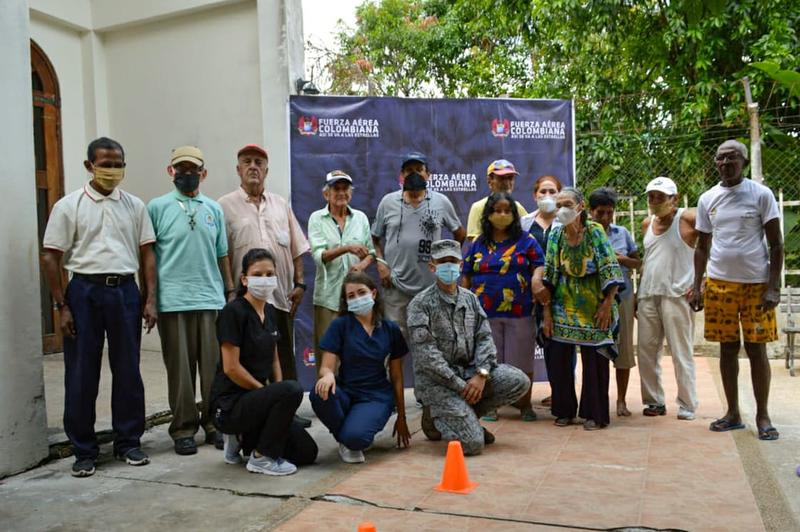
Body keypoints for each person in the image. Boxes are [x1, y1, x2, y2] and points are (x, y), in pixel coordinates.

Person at [42, 137, 157, 477]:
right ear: (89, 166)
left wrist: (150, 298)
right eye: (105, 163)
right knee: (81, 372)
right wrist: (61, 305)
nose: (112, 170)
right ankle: (84, 450)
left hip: (124, 291)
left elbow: (147, 253)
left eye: (118, 163)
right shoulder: (69, 206)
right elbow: (51, 256)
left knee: (128, 370)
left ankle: (128, 442)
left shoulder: (134, 206)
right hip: (84, 293)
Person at [691, 140, 783, 441]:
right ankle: (732, 413)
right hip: (720, 284)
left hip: (756, 286)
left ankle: (763, 416)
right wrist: (697, 287)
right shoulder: (708, 199)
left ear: (743, 161)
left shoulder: (761, 194)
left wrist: (773, 287)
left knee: (757, 349)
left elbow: (776, 244)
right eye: (720, 158)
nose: (724, 163)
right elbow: (702, 246)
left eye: (731, 158)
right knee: (727, 349)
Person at [147, 145, 235, 455]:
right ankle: (183, 428)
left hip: (210, 299)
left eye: (192, 169)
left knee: (213, 369)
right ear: (170, 172)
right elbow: (149, 257)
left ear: (203, 173)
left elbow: (222, 253)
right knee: (180, 372)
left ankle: (214, 424)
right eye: (180, 169)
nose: (187, 174)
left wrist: (229, 291)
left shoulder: (213, 208)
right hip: (173, 301)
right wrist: (150, 299)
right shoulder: (156, 207)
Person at [218, 145, 312, 428]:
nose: (253, 167)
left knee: (283, 355)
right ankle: (252, 411)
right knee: (250, 357)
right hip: (246, 301)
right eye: (246, 162)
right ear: (238, 169)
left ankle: (288, 412)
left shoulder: (280, 204)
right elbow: (223, 253)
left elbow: (297, 247)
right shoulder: (224, 206)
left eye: (259, 162)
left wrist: (299, 282)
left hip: (280, 295)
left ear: (266, 170)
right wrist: (230, 291)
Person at [408, 240, 530, 455]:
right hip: (439, 383)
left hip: (470, 375)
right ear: (432, 266)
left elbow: (485, 338)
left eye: (452, 261)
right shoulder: (420, 304)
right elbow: (427, 357)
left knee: (518, 381)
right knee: (473, 445)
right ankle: (438, 415)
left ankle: (461, 417)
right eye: (443, 261)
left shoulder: (470, 299)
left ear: (461, 264)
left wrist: (481, 375)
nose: (449, 266)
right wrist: (460, 386)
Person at [210, 248, 318, 475]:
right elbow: (231, 368)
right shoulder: (233, 311)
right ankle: (260, 458)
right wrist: (270, 394)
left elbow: (275, 358)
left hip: (257, 398)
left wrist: (275, 391)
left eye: (270, 274)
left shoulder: (269, 311)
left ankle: (243, 439)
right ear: (244, 279)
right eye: (258, 274)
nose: (265, 279)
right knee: (291, 389)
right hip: (231, 404)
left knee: (307, 452)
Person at [542, 187, 624, 430]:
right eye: (559, 205)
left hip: (594, 303)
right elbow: (549, 273)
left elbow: (610, 268)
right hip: (562, 303)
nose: (562, 210)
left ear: (581, 207)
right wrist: (547, 313)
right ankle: (564, 410)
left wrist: (608, 304)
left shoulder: (595, 232)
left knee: (595, 358)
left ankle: (594, 413)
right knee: (558, 357)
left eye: (567, 204)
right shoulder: (555, 235)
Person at [462, 192, 545, 422]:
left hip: (520, 310)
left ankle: (525, 405)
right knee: (489, 362)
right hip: (484, 313)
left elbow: (539, 264)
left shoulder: (526, 240)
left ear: (514, 214)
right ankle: (490, 406)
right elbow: (466, 275)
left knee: (523, 360)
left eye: (507, 211)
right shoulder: (478, 242)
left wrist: (537, 279)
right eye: (497, 210)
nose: (502, 215)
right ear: (488, 215)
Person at [311, 272, 410, 463]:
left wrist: (402, 417)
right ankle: (347, 438)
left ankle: (352, 436)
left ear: (373, 293)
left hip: (376, 396)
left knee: (357, 437)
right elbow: (326, 367)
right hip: (346, 391)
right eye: (351, 296)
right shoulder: (340, 326)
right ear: (346, 302)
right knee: (319, 393)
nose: (357, 298)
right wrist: (327, 375)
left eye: (361, 292)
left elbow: (397, 377)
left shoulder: (390, 329)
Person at [372, 153, 466, 339]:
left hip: (431, 287)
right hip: (395, 287)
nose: (414, 174)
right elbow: (374, 237)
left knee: (432, 343)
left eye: (419, 170)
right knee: (394, 344)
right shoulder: (388, 202)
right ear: (402, 175)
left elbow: (460, 233)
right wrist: (381, 263)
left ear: (428, 174)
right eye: (409, 170)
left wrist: (448, 259)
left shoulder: (441, 202)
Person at [637, 177, 699, 420]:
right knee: (646, 352)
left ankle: (687, 404)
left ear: (674, 198)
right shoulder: (646, 224)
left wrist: (701, 281)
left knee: (681, 352)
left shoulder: (687, 219)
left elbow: (711, 241)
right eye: (651, 196)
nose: (654, 201)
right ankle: (654, 401)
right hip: (648, 294)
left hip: (677, 294)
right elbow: (648, 260)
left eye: (661, 196)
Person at [308, 170, 375, 369]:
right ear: (325, 194)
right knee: (327, 352)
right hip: (328, 297)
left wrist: (362, 265)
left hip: (357, 298)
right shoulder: (317, 218)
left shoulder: (361, 218)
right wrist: (347, 248)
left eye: (345, 188)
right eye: (336, 188)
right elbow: (319, 256)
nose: (341, 193)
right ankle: (327, 396)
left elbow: (371, 252)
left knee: (357, 351)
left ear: (351, 193)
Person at [588, 187, 641, 417]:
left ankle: (621, 400)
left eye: (610, 213)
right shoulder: (584, 234)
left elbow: (637, 263)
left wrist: (620, 259)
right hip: (593, 300)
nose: (606, 218)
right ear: (590, 212)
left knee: (623, 350)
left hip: (623, 298)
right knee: (596, 351)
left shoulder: (623, 233)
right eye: (600, 213)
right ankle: (597, 398)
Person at [521, 175, 563, 409]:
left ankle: (560, 391)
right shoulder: (524, 223)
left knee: (558, 344)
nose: (547, 197)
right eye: (542, 192)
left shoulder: (565, 222)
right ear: (534, 196)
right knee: (529, 341)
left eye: (552, 192)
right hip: (529, 292)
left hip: (559, 293)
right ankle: (520, 395)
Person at [465, 160, 528, 240]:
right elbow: (474, 241)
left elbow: (527, 235)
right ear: (489, 181)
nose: (506, 182)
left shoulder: (518, 207)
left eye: (510, 178)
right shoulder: (478, 207)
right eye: (501, 178)